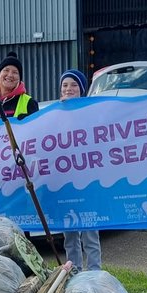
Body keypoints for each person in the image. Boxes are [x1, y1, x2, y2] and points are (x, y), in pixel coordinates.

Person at [58, 68, 102, 271]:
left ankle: (94, 273)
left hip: (87, 181)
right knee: (69, 233)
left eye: (74, 85)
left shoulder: (90, 112)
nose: (69, 89)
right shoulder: (54, 114)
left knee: (90, 231)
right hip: (64, 182)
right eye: (65, 85)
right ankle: (74, 272)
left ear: (82, 89)